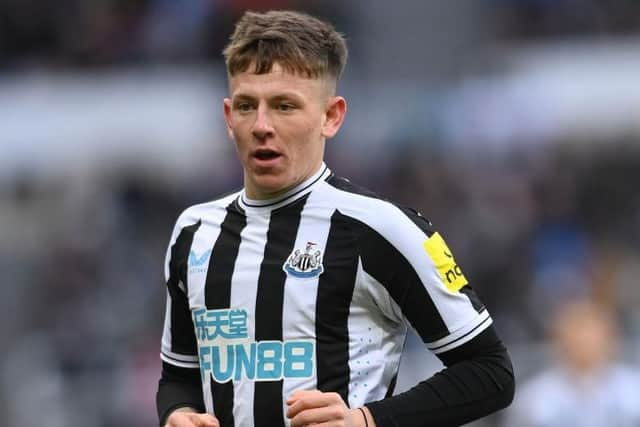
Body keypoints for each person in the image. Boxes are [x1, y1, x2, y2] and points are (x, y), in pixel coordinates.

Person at [156, 10, 515, 427]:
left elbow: (491, 371)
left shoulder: (381, 229)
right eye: (246, 106)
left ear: (331, 116)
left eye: (284, 106)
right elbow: (179, 374)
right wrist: (176, 414)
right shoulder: (194, 232)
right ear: (227, 116)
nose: (261, 125)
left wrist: (368, 420)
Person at [503, 298, 640, 427]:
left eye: (592, 335)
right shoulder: (534, 399)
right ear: (560, 340)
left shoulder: (634, 390)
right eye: (577, 335)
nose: (584, 343)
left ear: (610, 338)